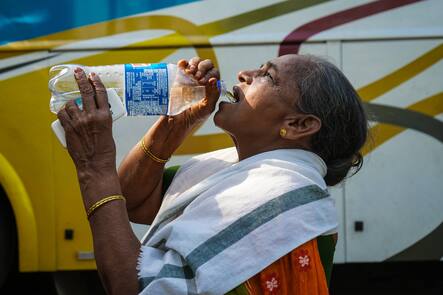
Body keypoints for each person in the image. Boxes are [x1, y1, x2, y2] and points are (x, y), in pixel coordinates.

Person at [57, 54, 368, 294]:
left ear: (300, 125)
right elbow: (132, 201)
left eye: (267, 76)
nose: (245, 74)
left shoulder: (281, 194)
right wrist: (174, 126)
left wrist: (95, 166)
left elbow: (136, 287)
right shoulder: (240, 167)